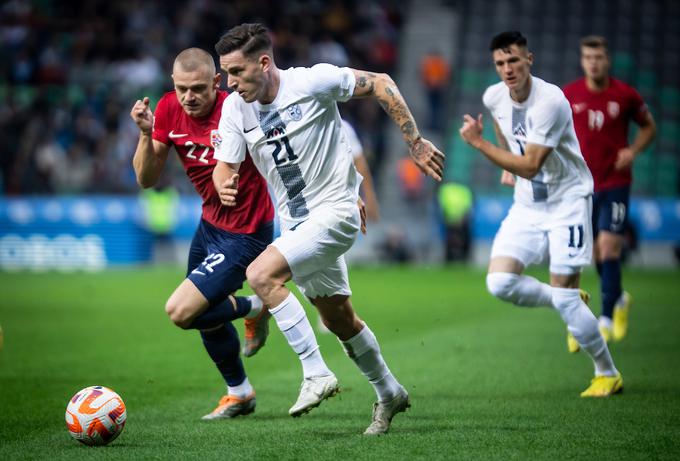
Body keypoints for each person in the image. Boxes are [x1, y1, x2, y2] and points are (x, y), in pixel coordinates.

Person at [212, 23, 444, 434]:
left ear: (264, 63)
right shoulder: (235, 107)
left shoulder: (312, 82)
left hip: (337, 210)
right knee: (339, 319)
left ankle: (316, 373)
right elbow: (225, 166)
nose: (230, 83)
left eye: (236, 71)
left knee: (260, 275)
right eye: (226, 73)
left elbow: (382, 83)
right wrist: (223, 183)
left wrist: (415, 142)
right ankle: (390, 393)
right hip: (297, 223)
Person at [130, 48, 333, 420]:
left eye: (197, 89)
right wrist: (146, 134)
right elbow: (146, 179)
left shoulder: (238, 107)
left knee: (182, 311)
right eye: (181, 89)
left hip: (247, 232)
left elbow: (294, 150)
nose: (188, 97)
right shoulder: (168, 108)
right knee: (205, 316)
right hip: (209, 226)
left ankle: (256, 305)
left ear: (216, 82)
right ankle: (239, 392)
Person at [458, 31, 623, 397]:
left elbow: (531, 165)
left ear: (529, 59)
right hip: (528, 204)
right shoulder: (493, 95)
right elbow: (503, 124)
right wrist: (504, 157)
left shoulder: (550, 102)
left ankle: (607, 372)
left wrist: (480, 144)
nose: (507, 69)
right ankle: (565, 299)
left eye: (514, 60)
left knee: (566, 296)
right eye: (500, 63)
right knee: (499, 282)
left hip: (567, 202)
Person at [563, 36, 656, 346]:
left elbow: (649, 127)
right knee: (593, 254)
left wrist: (633, 151)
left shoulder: (625, 95)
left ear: (608, 60)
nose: (594, 62)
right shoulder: (570, 94)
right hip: (581, 185)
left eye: (599, 57)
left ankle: (604, 318)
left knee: (609, 247)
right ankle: (618, 299)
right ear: (582, 60)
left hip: (616, 182)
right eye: (588, 57)